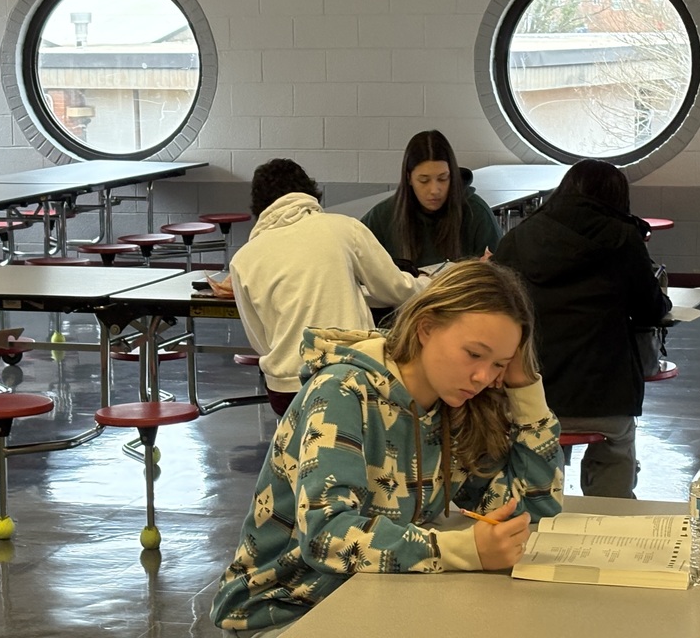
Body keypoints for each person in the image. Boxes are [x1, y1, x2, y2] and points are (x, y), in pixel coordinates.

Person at [211, 260, 564, 635]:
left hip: (376, 595)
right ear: (426, 327)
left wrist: (525, 389)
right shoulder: (343, 391)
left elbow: (531, 507)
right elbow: (326, 537)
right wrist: (461, 550)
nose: (483, 377)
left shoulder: (456, 408)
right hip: (283, 610)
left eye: (499, 364)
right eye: (474, 354)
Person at [492, 159, 671, 499]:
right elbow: (649, 311)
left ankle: (540, 507)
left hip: (533, 395)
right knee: (618, 446)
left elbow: (495, 311)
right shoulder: (623, 238)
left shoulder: (517, 238)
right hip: (608, 397)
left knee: (534, 459)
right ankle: (613, 517)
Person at [229, 158, 428, 415]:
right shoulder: (344, 228)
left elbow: (260, 340)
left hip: (285, 387)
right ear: (311, 194)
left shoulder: (243, 259)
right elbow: (395, 289)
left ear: (260, 207)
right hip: (348, 376)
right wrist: (427, 283)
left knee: (301, 449)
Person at [361, 130, 501, 269]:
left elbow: (502, 274)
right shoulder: (382, 216)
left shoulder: (476, 212)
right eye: (424, 180)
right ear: (409, 178)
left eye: (442, 178)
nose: (434, 190)